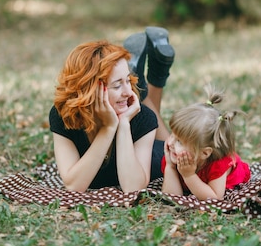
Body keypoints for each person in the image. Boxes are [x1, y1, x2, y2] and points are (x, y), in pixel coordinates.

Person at [49, 27, 175, 193]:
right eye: (117, 85)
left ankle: (155, 73)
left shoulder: (142, 118)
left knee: (176, 148)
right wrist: (108, 128)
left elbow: (133, 188)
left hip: (156, 152)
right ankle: (147, 77)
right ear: (90, 90)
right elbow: (74, 186)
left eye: (128, 81)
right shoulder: (64, 115)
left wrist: (123, 124)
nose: (128, 92)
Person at [161, 85, 251, 200]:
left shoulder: (218, 164)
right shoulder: (175, 157)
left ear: (204, 153)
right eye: (172, 134)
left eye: (179, 141)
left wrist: (189, 176)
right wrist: (170, 167)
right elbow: (172, 197)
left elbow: (214, 198)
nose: (170, 143)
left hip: (229, 182)